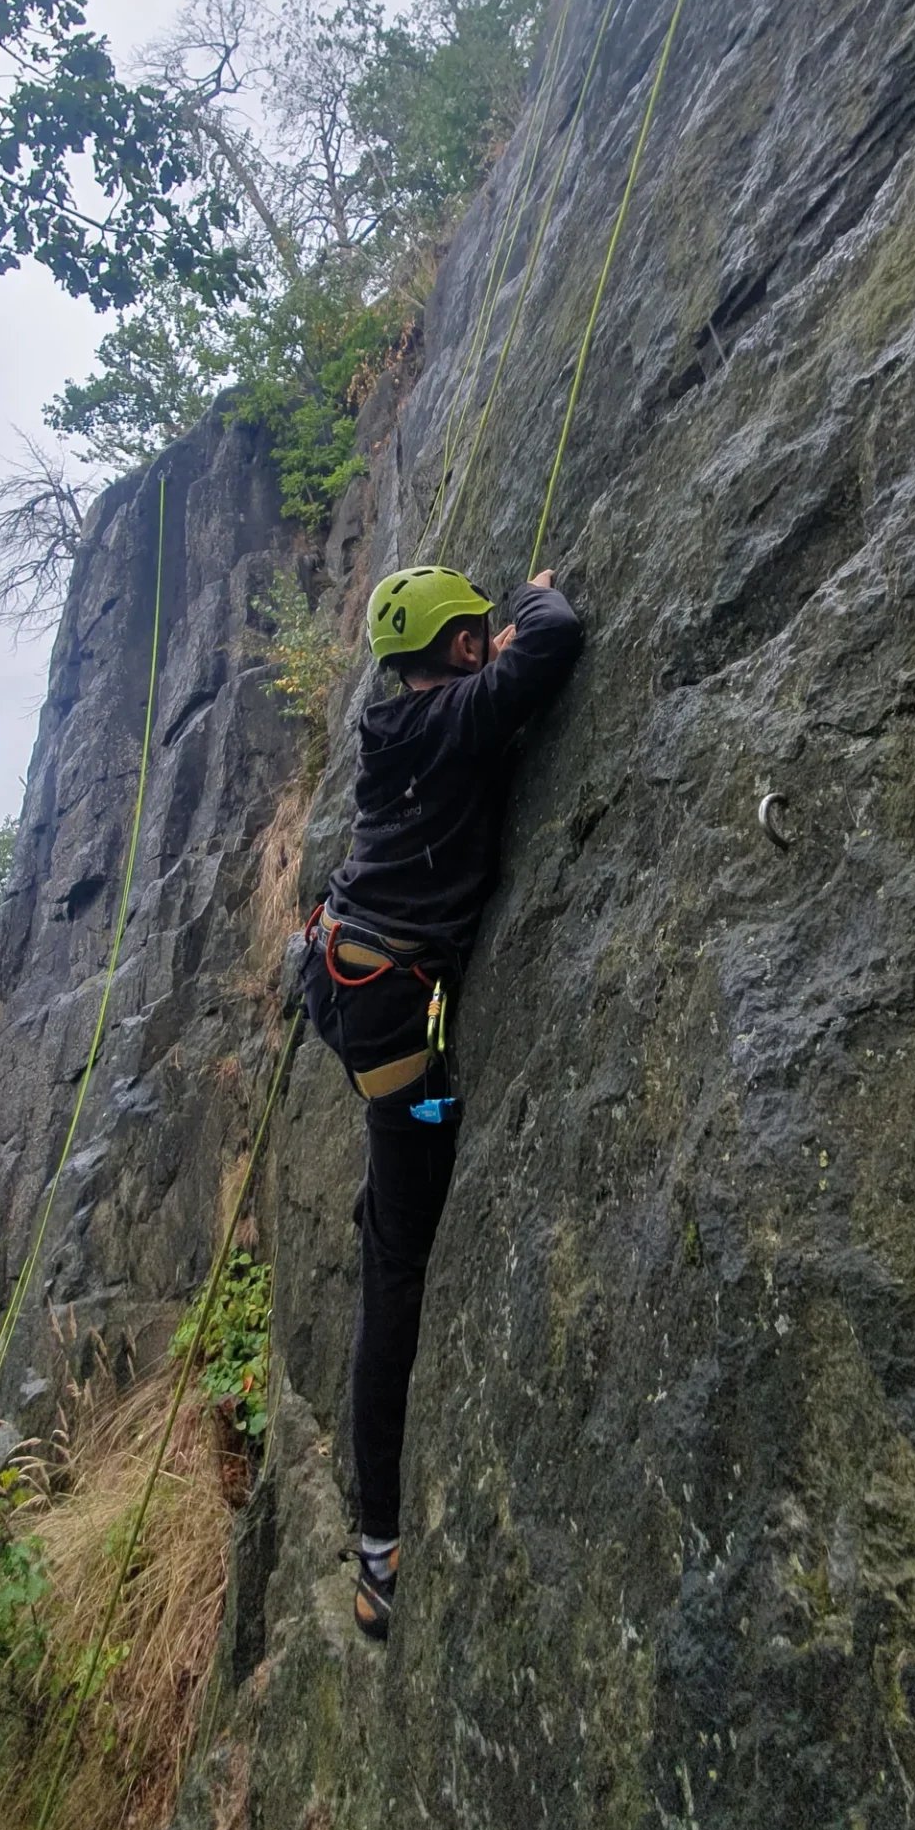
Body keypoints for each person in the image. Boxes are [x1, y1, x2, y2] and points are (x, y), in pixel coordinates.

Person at [300, 561, 583, 1641]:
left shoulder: (402, 725)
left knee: (398, 1181)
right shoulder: (460, 712)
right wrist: (523, 598)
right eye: (475, 634)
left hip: (349, 969)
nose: (489, 640)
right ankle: (379, 1546)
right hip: (389, 1022)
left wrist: (486, 639)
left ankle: (393, 1175)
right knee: (400, 1260)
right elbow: (554, 633)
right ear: (463, 650)